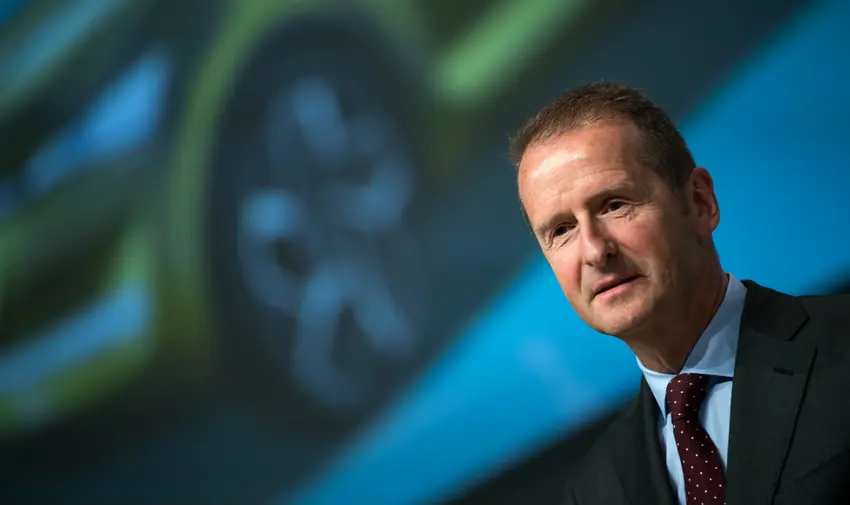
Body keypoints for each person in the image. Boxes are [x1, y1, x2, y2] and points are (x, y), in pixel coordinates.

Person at [509, 82, 850, 505]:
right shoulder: (595, 490)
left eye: (614, 205)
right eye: (562, 230)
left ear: (700, 202)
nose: (595, 251)